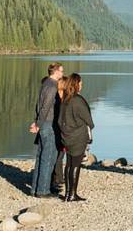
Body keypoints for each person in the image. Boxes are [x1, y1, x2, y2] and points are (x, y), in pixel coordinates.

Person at [29, 62, 64, 198]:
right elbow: (45, 107)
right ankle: (43, 190)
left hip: (44, 123)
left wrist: (36, 121)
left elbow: (38, 105)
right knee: (48, 157)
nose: (62, 74)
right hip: (48, 124)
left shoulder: (45, 84)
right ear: (55, 71)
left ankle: (35, 189)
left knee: (41, 156)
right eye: (61, 71)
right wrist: (38, 123)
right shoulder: (52, 86)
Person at [59, 72, 94, 202]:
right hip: (78, 137)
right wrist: (88, 127)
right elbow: (89, 120)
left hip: (66, 136)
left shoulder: (65, 99)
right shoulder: (78, 100)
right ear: (76, 83)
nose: (82, 84)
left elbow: (59, 120)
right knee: (76, 165)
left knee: (69, 164)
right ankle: (72, 194)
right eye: (80, 82)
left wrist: (65, 131)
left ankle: (68, 193)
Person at [51, 75, 69, 195]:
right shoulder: (60, 100)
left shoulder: (59, 98)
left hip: (58, 131)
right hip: (58, 132)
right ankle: (57, 180)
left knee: (59, 156)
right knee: (58, 156)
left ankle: (58, 179)